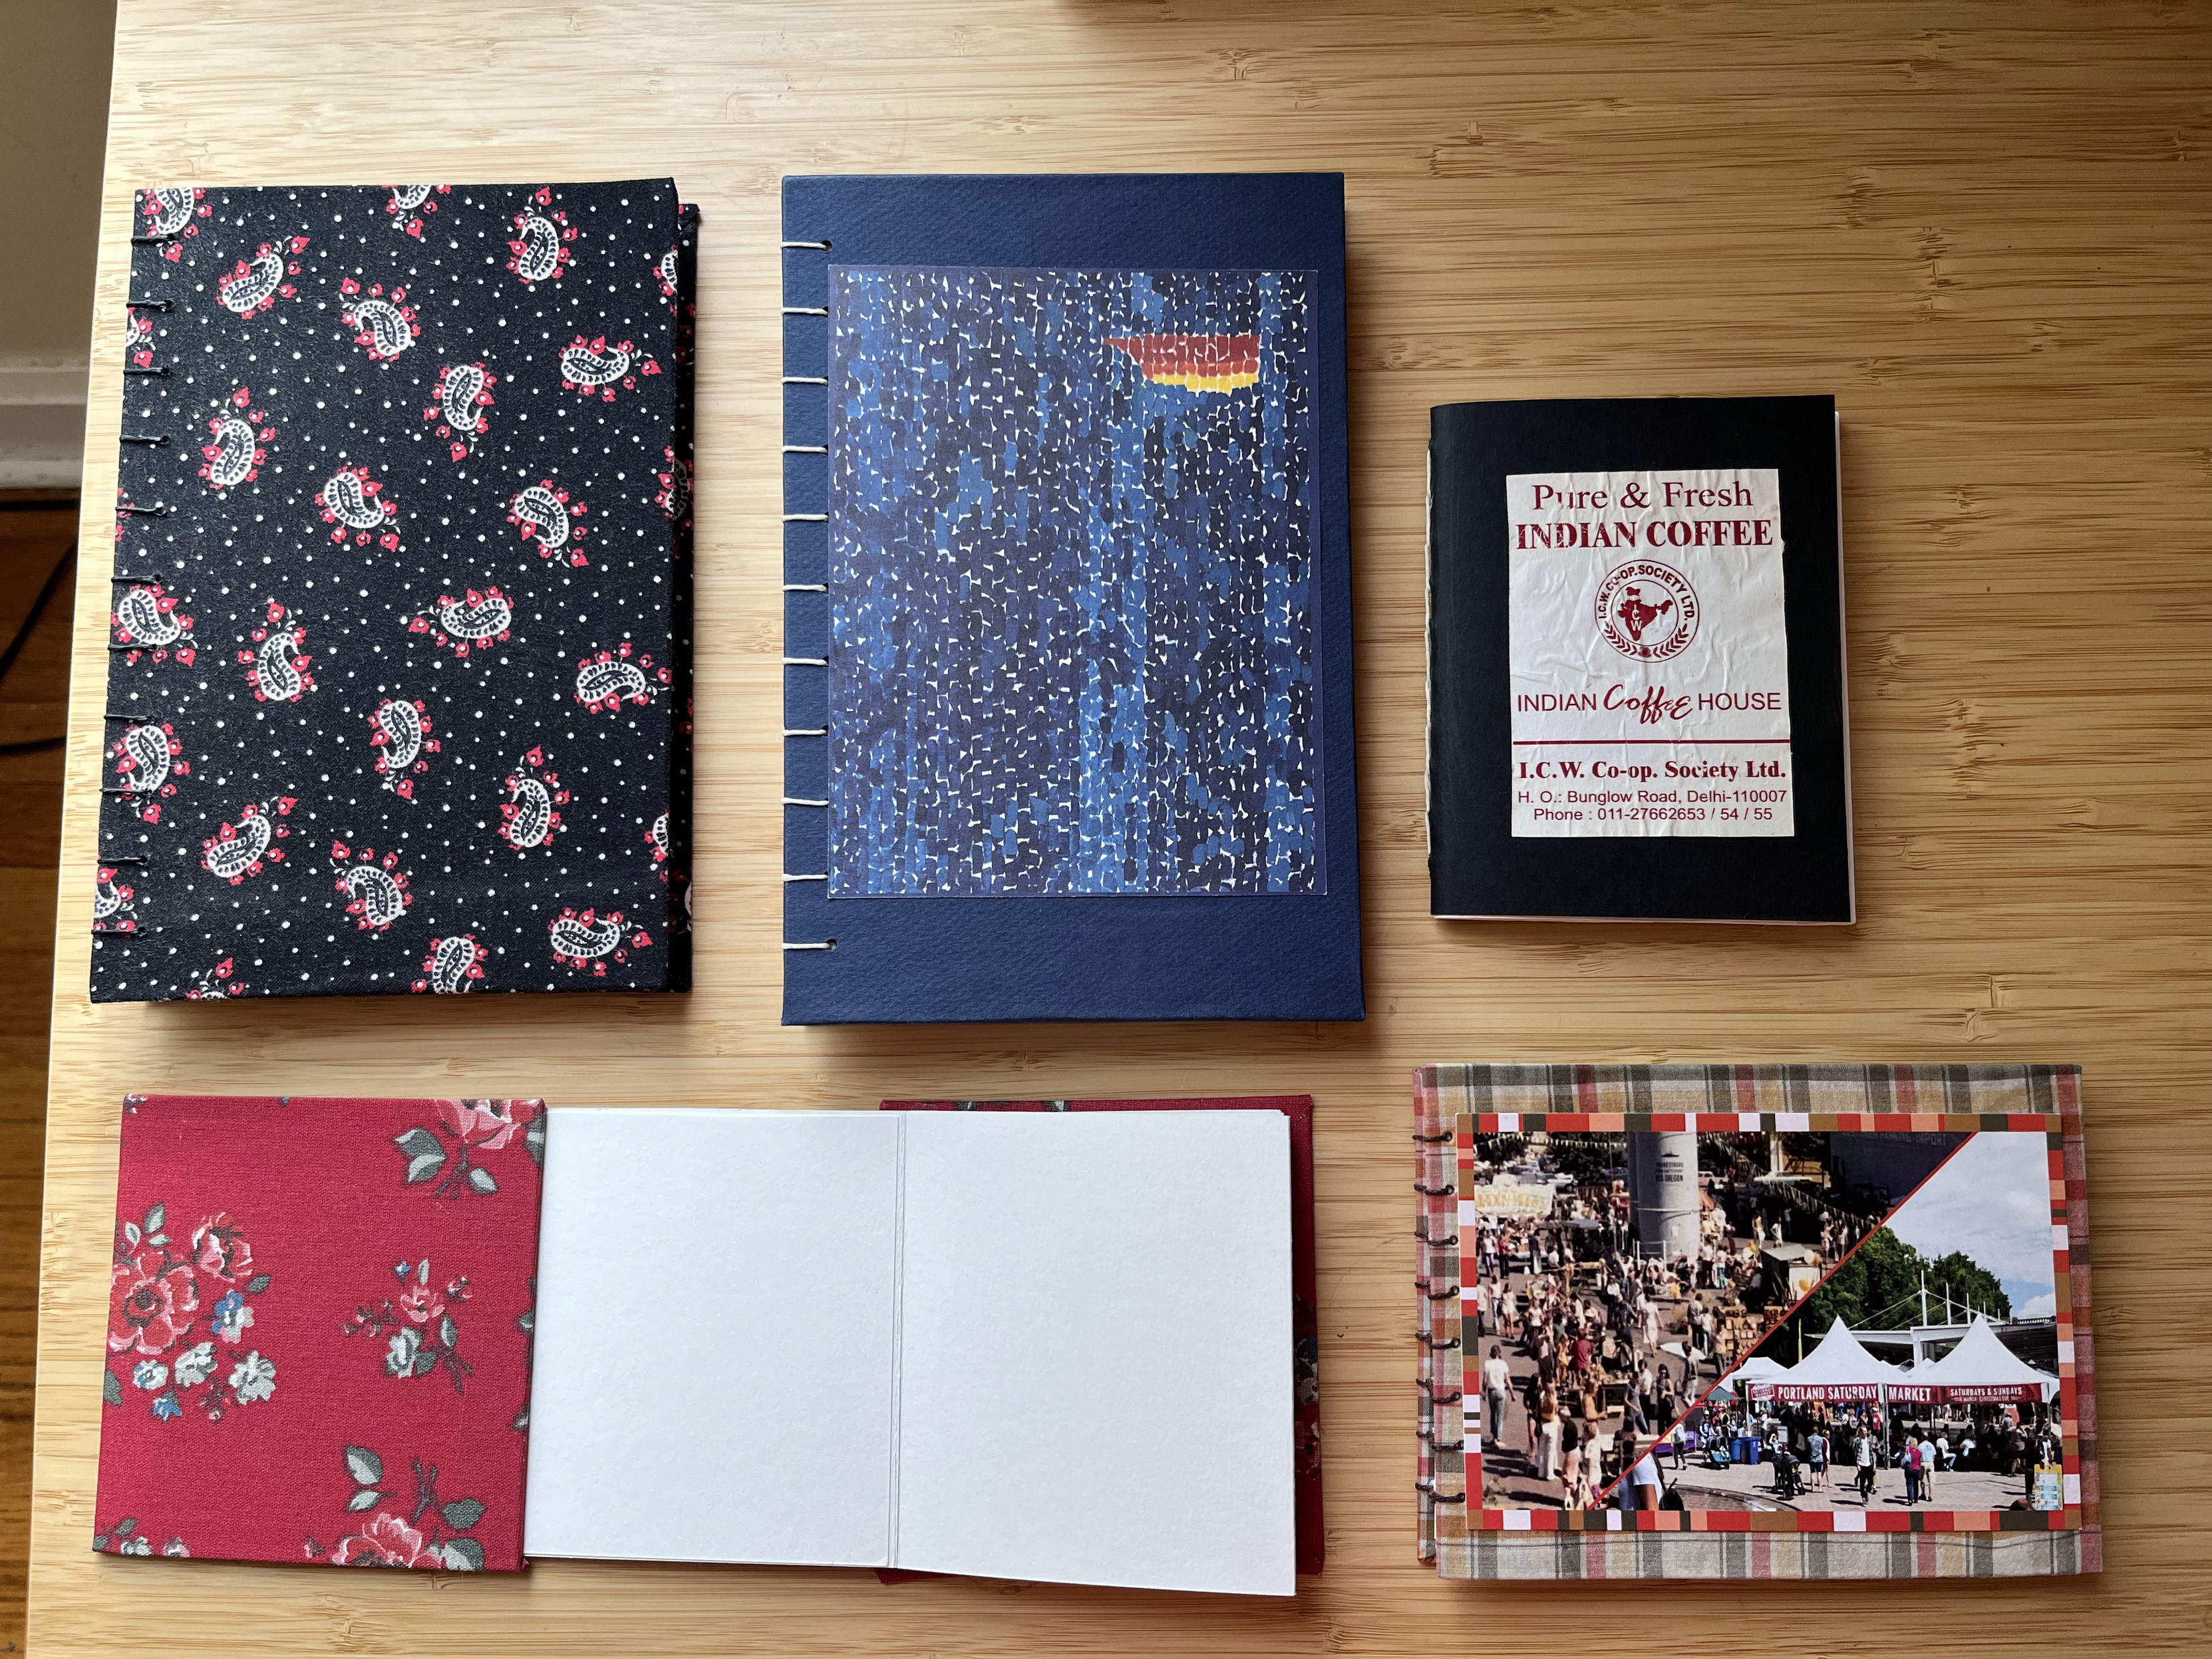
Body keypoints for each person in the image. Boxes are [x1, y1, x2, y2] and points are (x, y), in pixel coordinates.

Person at [1615, 1433, 1664, 1513]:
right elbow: (1633, 1504)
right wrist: (1611, 1501)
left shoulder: (1642, 1462)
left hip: (1637, 1524)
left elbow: (1652, 1512)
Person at [1482, 1345, 1512, 1449]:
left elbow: (1485, 1381)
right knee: (1500, 1415)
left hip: (1491, 1391)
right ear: (1499, 1353)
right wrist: (1512, 1394)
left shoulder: (1488, 1363)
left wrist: (1483, 1392)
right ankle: (1498, 1438)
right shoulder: (1503, 1364)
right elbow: (1507, 1380)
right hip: (1501, 1391)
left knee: (1493, 1414)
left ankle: (1493, 1435)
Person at [1854, 1424, 1878, 1505]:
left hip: (1869, 1463)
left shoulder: (1869, 1441)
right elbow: (1856, 1453)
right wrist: (1857, 1464)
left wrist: (1874, 1464)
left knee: (1870, 1481)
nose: (1865, 1433)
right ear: (1860, 1433)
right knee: (1862, 1482)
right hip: (1861, 1464)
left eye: (1866, 1431)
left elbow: (1872, 1453)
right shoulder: (1858, 1441)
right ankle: (1864, 1497)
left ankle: (1867, 1491)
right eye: (1863, 1432)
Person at [1808, 1426, 1829, 1490]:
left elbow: (1807, 1448)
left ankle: (1813, 1488)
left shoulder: (1809, 1439)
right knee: (1819, 1473)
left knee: (1812, 1473)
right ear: (1817, 1431)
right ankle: (1820, 1488)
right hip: (1819, 1458)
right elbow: (1822, 1447)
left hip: (1812, 1458)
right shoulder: (1820, 1439)